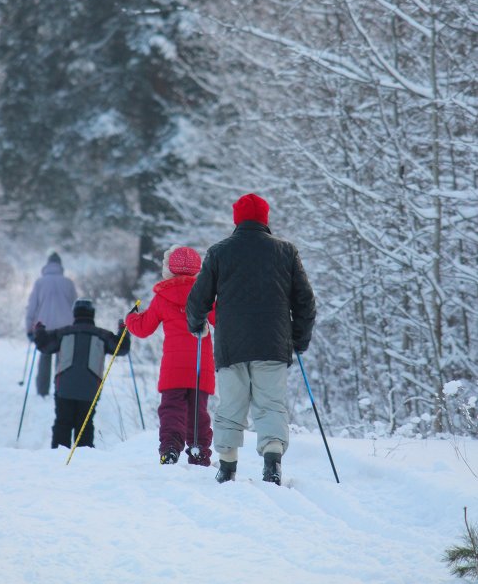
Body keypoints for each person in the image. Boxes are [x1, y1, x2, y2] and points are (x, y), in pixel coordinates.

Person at [187, 193, 316, 486]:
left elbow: (198, 301)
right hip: (272, 343)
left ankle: (227, 467)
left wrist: (196, 325)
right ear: (265, 219)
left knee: (231, 404)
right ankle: (272, 464)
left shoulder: (219, 252)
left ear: (237, 219)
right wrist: (299, 339)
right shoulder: (286, 252)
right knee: (270, 405)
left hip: (231, 345)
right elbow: (305, 302)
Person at [124, 245, 216, 467]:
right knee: (198, 412)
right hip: (200, 364)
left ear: (169, 270)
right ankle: (199, 452)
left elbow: (144, 328)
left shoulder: (162, 296)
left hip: (173, 366)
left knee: (171, 409)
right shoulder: (206, 295)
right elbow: (221, 320)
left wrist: (130, 318)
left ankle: (170, 449)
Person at [33, 298, 131, 448]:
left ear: (75, 314)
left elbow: (44, 345)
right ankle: (83, 460)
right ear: (92, 314)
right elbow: (121, 348)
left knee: (62, 423)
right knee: (85, 425)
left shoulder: (62, 333)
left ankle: (58, 459)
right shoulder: (102, 335)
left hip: (64, 387)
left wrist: (39, 330)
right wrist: (123, 331)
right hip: (91, 388)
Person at [25, 251, 78, 396]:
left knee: (44, 356)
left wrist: (29, 329)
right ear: (60, 266)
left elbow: (32, 307)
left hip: (44, 327)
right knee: (63, 360)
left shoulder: (40, 283)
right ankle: (60, 389)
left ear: (47, 265)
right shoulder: (68, 283)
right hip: (66, 328)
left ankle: (42, 391)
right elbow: (75, 306)